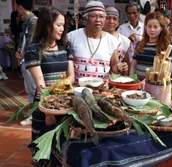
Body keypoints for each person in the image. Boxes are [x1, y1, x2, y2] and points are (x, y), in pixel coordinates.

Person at [24, 6, 74, 166]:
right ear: (47, 25)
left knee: (62, 144)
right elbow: (41, 85)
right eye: (59, 25)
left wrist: (62, 93)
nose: (62, 29)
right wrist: (48, 112)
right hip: (44, 105)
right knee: (44, 146)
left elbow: (71, 77)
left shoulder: (65, 46)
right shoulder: (34, 50)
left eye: (63, 25)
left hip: (64, 104)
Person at [68, 0, 123, 82]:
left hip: (103, 90)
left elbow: (114, 65)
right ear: (85, 19)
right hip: (78, 90)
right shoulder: (72, 37)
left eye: (101, 16)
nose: (98, 20)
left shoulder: (112, 41)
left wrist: (119, 67)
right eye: (93, 16)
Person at [129, 11, 171, 80]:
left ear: (161, 28)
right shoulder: (139, 44)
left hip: (154, 86)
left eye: (155, 27)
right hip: (137, 85)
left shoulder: (166, 47)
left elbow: (167, 71)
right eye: (149, 26)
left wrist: (147, 82)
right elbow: (133, 66)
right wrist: (131, 80)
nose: (152, 30)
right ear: (145, 27)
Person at [15, 0, 37, 126]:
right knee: (29, 89)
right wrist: (18, 51)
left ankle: (36, 115)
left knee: (34, 89)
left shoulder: (34, 21)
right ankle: (33, 114)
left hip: (30, 61)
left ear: (20, 7)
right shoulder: (27, 22)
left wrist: (21, 54)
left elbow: (31, 42)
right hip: (25, 60)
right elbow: (23, 40)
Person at [103, 6, 130, 76]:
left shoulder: (125, 41)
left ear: (118, 21)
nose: (111, 21)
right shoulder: (95, 38)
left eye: (114, 19)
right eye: (107, 18)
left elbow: (126, 64)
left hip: (117, 82)